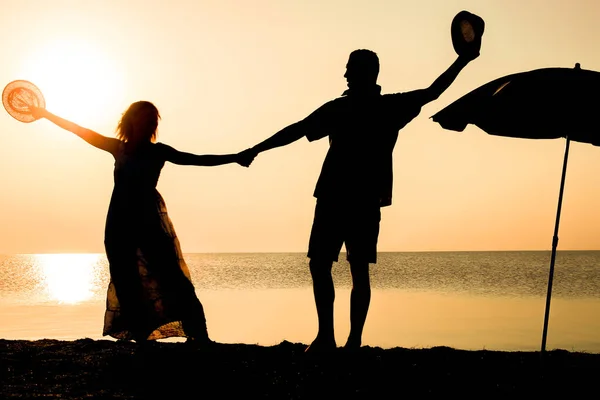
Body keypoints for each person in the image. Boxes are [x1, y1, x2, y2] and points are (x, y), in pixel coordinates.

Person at [238, 48, 479, 352]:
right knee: (345, 268)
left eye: (350, 69)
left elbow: (298, 130)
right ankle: (344, 339)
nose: (345, 75)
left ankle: (334, 337)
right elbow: (432, 91)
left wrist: (255, 149)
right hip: (357, 198)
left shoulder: (354, 108)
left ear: (365, 72)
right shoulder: (384, 107)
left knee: (332, 266)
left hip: (339, 196)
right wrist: (463, 59)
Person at [29, 101, 253, 345]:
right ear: (131, 121)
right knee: (127, 281)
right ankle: (141, 337)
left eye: (153, 120)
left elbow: (197, 159)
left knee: (173, 277)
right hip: (119, 222)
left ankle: (199, 335)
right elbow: (79, 130)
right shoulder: (118, 148)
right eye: (145, 118)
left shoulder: (159, 152)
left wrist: (235, 157)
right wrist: (45, 114)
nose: (149, 123)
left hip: (149, 222)